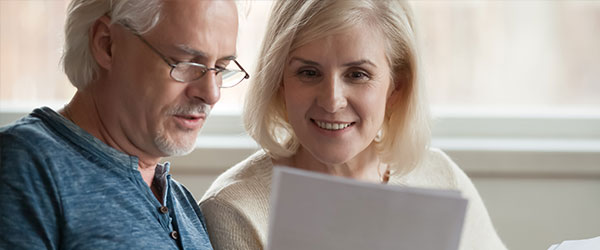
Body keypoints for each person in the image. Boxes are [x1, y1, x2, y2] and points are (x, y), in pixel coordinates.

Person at [199, 0, 507, 249]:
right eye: (308, 73)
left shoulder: (440, 178)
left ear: (397, 85)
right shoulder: (235, 210)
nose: (332, 101)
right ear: (279, 81)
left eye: (357, 74)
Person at [0, 0, 249, 249]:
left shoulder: (182, 203)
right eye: (185, 63)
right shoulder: (23, 165)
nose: (211, 94)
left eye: (220, 68)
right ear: (107, 44)